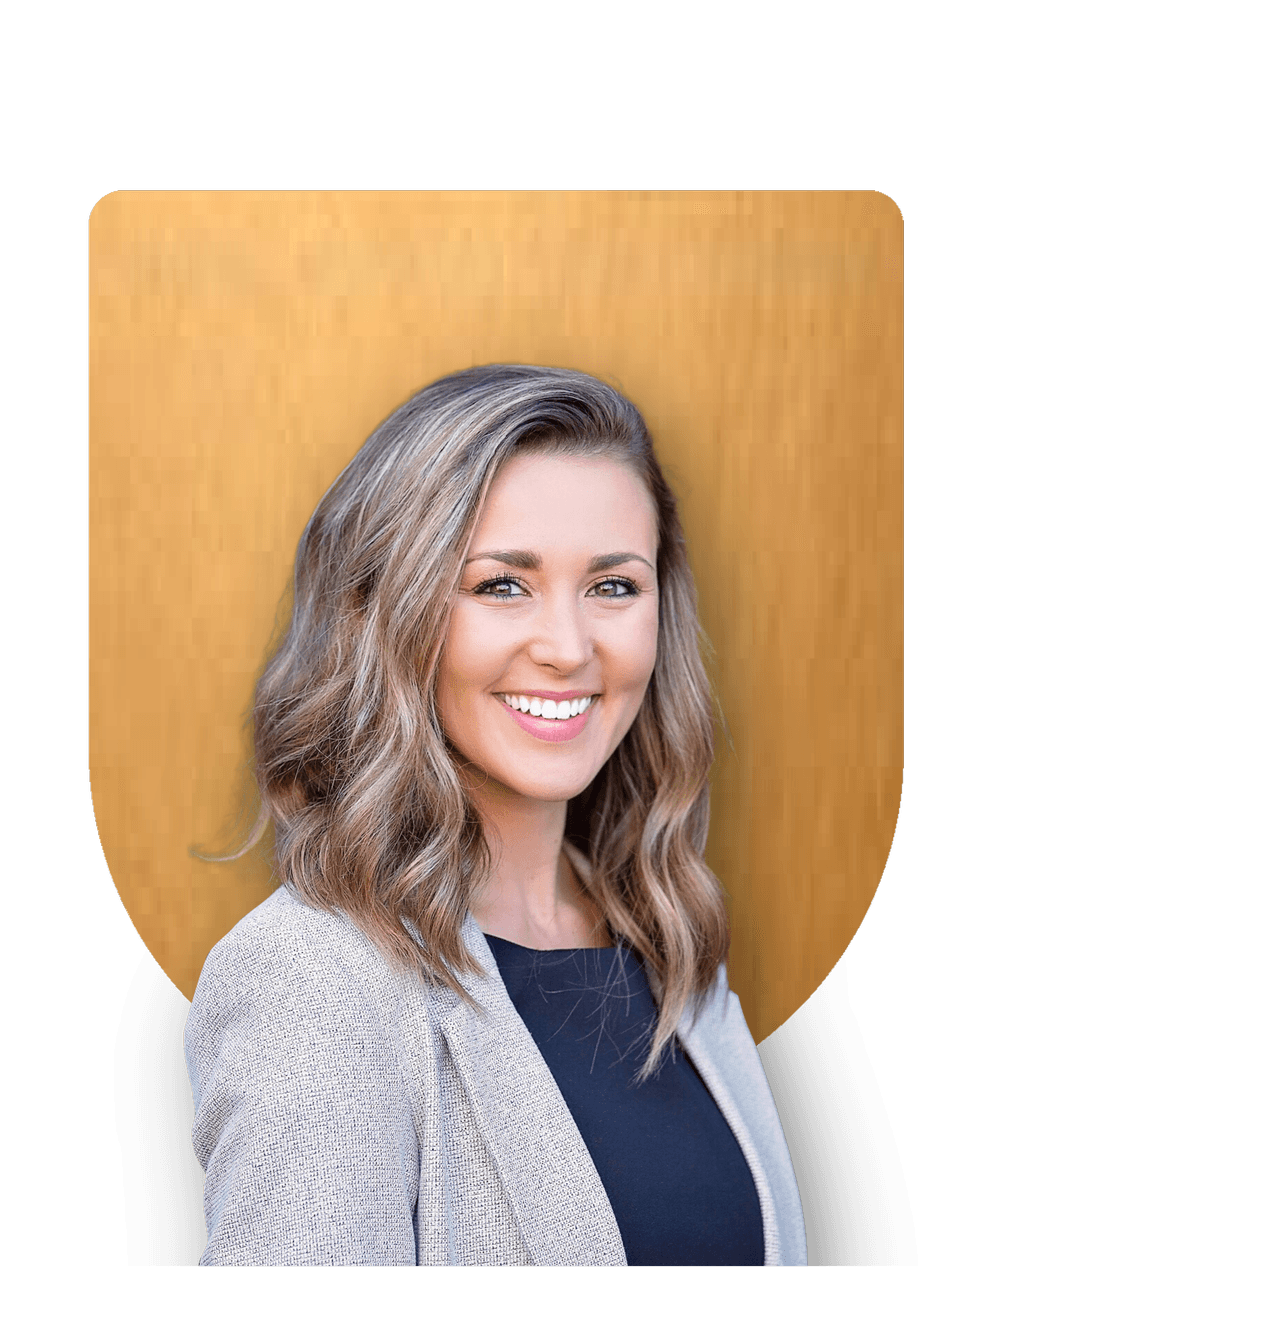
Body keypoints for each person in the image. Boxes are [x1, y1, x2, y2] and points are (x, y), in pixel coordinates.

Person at [183, 364, 806, 1266]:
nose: (567, 647)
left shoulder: (675, 960)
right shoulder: (311, 981)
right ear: (387, 615)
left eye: (614, 586)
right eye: (501, 586)